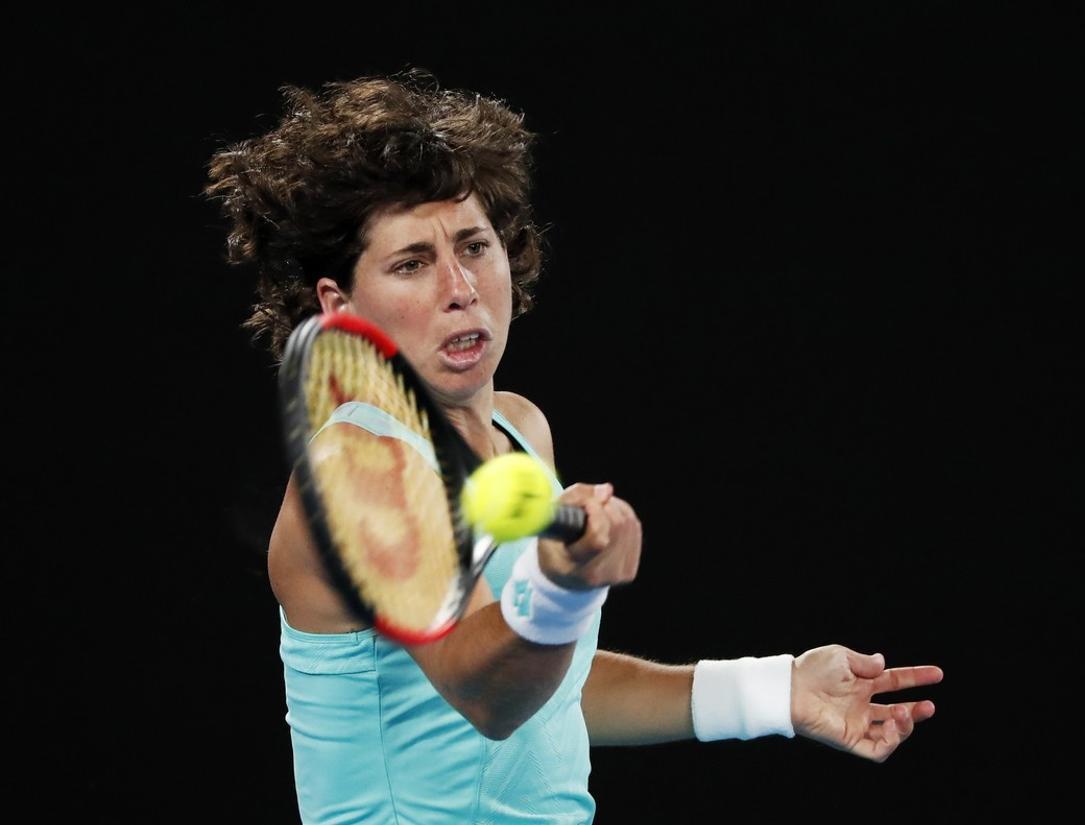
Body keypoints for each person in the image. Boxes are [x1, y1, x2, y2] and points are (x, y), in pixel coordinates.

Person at [204, 70, 943, 824]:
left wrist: (770, 691)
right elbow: (483, 691)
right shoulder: (357, 470)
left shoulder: (521, 429)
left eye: (473, 246)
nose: (459, 286)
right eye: (411, 263)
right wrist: (561, 587)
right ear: (341, 308)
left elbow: (544, 692)